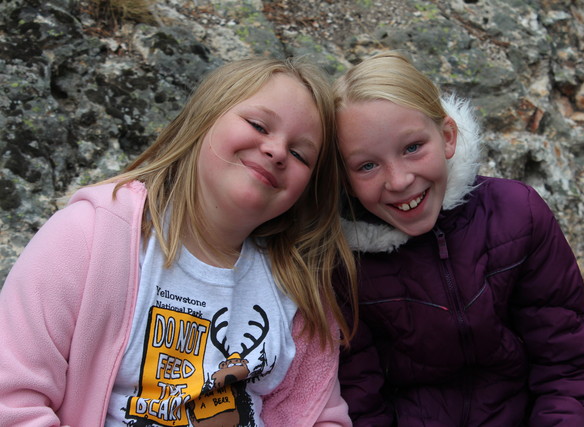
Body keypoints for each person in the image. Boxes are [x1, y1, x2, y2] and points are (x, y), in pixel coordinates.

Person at [0, 56, 358, 426]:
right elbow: (11, 401)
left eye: (300, 154)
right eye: (257, 125)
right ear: (204, 117)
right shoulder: (89, 237)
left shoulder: (298, 288)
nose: (277, 151)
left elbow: (321, 416)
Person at [333, 51, 584, 426]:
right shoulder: (344, 262)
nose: (398, 181)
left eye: (413, 147)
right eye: (367, 165)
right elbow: (359, 398)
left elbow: (566, 364)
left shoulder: (517, 215)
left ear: (447, 136)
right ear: (344, 177)